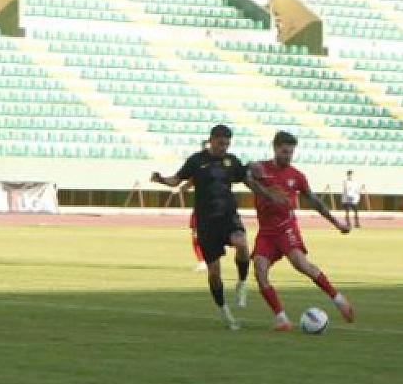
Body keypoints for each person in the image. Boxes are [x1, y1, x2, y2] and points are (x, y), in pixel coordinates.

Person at [151, 125, 268, 330]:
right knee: (214, 272)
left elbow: (247, 179)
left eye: (227, 144)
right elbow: (176, 180)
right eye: (220, 143)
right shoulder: (196, 161)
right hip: (206, 222)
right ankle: (226, 313)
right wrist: (161, 179)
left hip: (228, 216)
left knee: (242, 244)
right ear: (211, 140)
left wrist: (265, 191)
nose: (224, 147)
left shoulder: (232, 161)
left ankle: (241, 283)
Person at [249, 132, 356, 331]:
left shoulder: (296, 176)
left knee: (301, 264)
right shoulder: (260, 168)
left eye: (291, 152)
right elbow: (246, 173)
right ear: (275, 148)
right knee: (260, 271)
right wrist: (251, 169)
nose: (288, 155)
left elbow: (315, 202)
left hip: (286, 228)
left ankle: (339, 299)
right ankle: (282, 318)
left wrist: (337, 222)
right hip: (266, 233)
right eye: (284, 151)